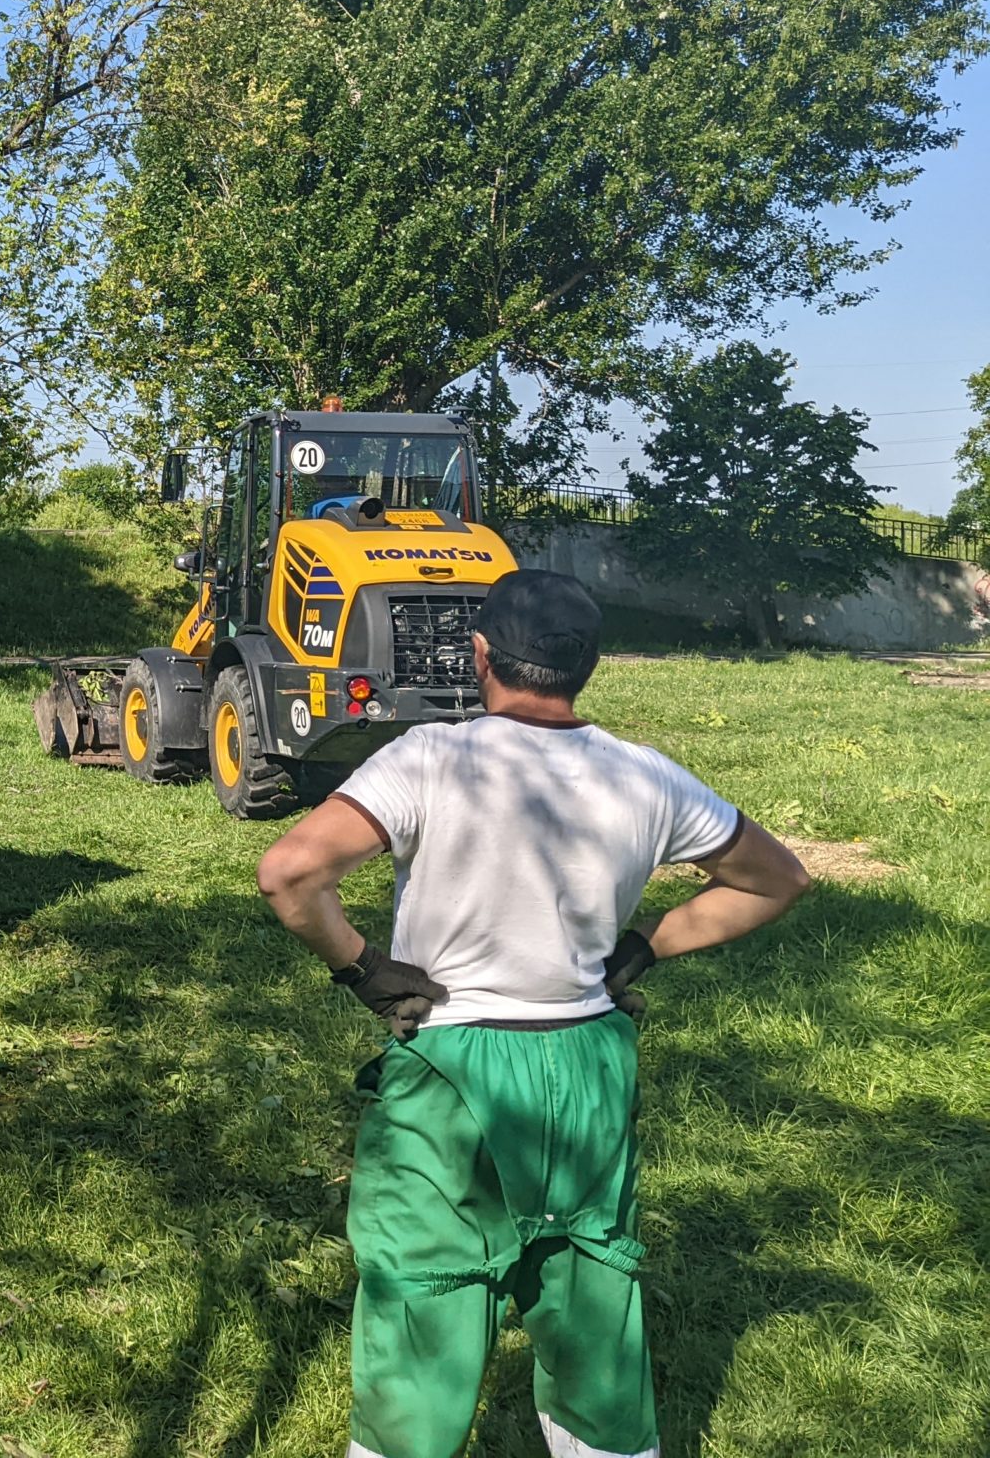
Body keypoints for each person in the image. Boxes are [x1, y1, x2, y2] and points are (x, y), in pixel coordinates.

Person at [255, 569, 809, 1458]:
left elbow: (290, 873)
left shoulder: (433, 756)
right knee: (592, 1296)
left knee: (421, 1297)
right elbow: (779, 879)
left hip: (450, 1068)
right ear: (588, 666)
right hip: (586, 1057)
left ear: (479, 655)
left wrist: (362, 968)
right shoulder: (647, 775)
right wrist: (649, 947)